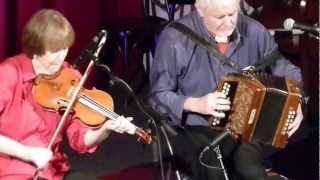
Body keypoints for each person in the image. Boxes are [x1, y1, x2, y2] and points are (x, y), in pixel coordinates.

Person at [149, 0, 304, 179]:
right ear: (199, 9)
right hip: (193, 126)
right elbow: (157, 96)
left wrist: (295, 100)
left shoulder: (254, 30)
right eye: (220, 17)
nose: (229, 22)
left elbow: (287, 71)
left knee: (249, 167)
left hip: (245, 124)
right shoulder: (175, 37)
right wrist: (195, 104)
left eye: (232, 14)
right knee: (211, 164)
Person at [0, 9, 137, 180]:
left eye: (64, 48)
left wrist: (105, 129)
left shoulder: (70, 77)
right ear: (35, 47)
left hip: (53, 171)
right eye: (54, 50)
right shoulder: (8, 74)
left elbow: (80, 141)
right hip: (13, 171)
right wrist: (28, 153)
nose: (61, 57)